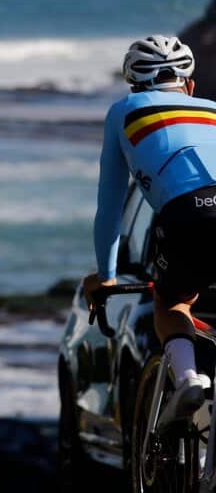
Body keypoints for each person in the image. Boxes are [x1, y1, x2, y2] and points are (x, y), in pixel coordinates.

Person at [85, 36, 216, 427]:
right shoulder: (213, 110)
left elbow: (109, 206)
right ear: (190, 85)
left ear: (133, 85)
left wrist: (107, 276)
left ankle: (189, 380)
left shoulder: (124, 112)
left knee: (172, 303)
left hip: (187, 214)